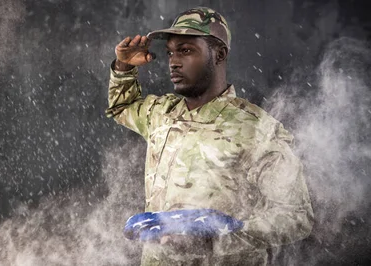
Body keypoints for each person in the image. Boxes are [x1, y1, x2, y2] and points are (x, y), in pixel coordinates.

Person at [106, 7, 314, 265]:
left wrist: (221, 236)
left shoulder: (256, 129)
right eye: (170, 52)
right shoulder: (162, 113)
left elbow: (296, 216)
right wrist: (124, 67)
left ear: (219, 54)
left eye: (186, 50)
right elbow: (122, 108)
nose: (173, 61)